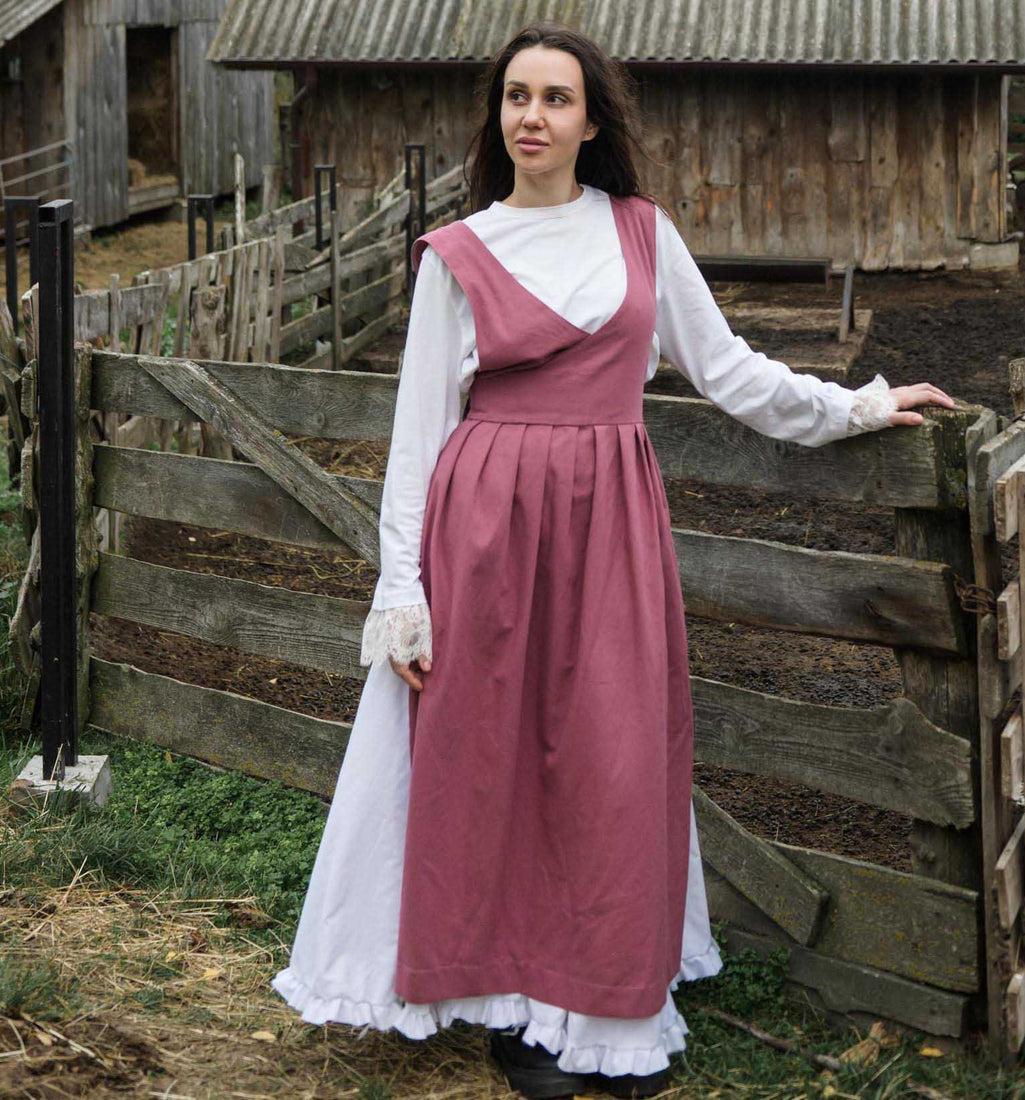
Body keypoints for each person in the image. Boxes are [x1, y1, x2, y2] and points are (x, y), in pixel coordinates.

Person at [271, 21, 956, 1100]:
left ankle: (603, 1006)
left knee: (613, 760)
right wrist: (402, 591)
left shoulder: (640, 232)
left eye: (556, 98)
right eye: (516, 96)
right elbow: (415, 439)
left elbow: (729, 370)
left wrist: (860, 405)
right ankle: (515, 1009)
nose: (532, 116)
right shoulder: (457, 254)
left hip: (609, 534)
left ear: (592, 122)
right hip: (485, 532)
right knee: (491, 764)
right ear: (497, 116)